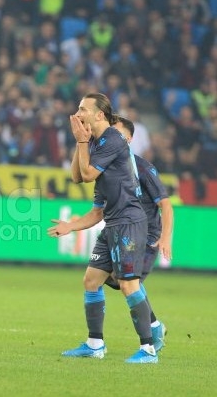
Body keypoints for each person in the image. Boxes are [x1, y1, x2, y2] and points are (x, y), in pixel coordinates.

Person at [47, 93, 157, 363]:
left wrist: (83, 141)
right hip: (112, 223)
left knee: (129, 285)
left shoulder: (112, 139)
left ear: (99, 115)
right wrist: (72, 226)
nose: (78, 112)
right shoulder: (96, 144)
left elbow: (86, 175)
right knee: (91, 280)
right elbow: (77, 178)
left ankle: (148, 349)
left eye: (83, 108)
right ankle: (95, 344)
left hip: (129, 223)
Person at [101, 116, 173, 351]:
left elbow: (166, 204)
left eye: (119, 134)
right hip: (124, 229)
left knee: (128, 283)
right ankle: (154, 324)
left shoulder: (142, 167)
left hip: (147, 234)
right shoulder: (110, 167)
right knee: (117, 281)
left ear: (129, 139)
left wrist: (165, 237)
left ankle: (149, 341)